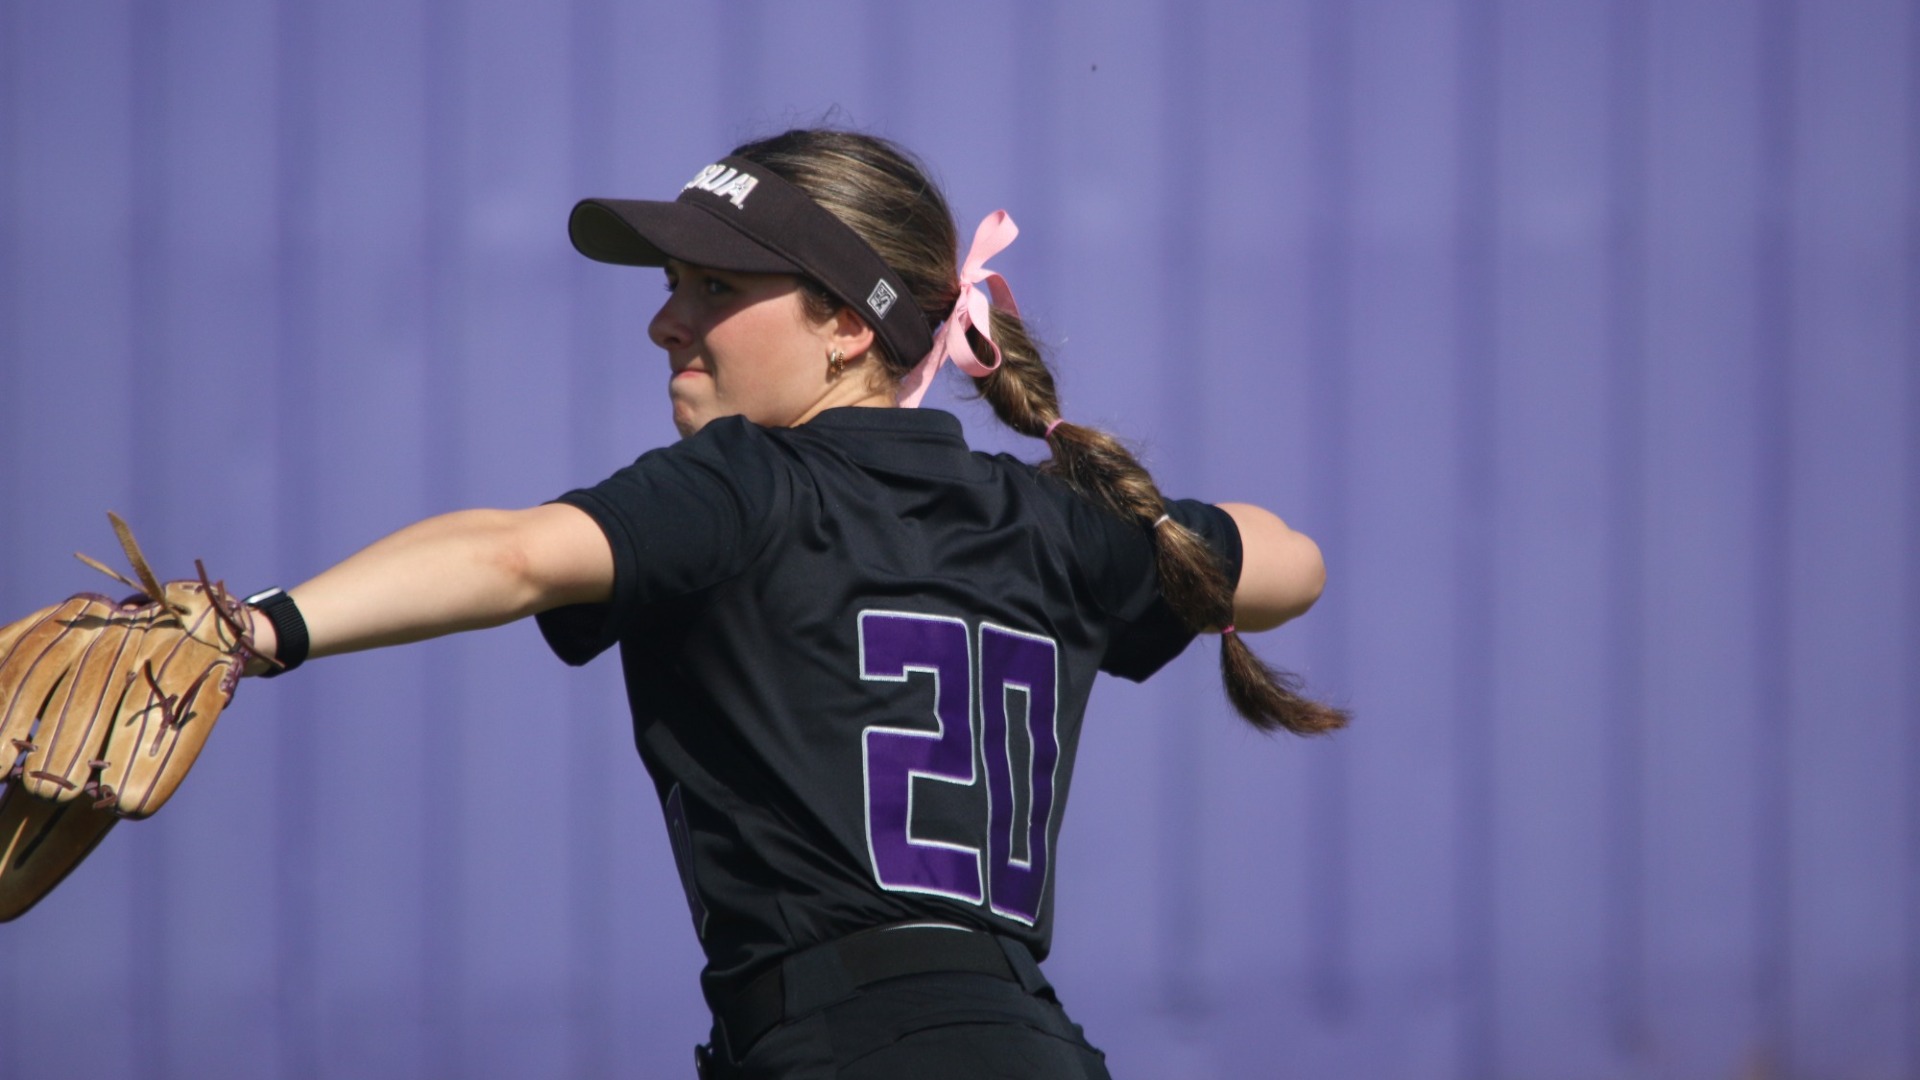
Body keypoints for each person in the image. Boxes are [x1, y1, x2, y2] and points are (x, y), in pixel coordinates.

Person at [234, 128, 1344, 1079]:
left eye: (715, 287)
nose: (669, 321)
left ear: (848, 325)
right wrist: (1140, 530)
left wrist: (262, 627)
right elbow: (1292, 564)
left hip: (845, 1048)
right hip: (1036, 1046)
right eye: (672, 282)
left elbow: (515, 556)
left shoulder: (748, 482)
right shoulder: (1045, 521)